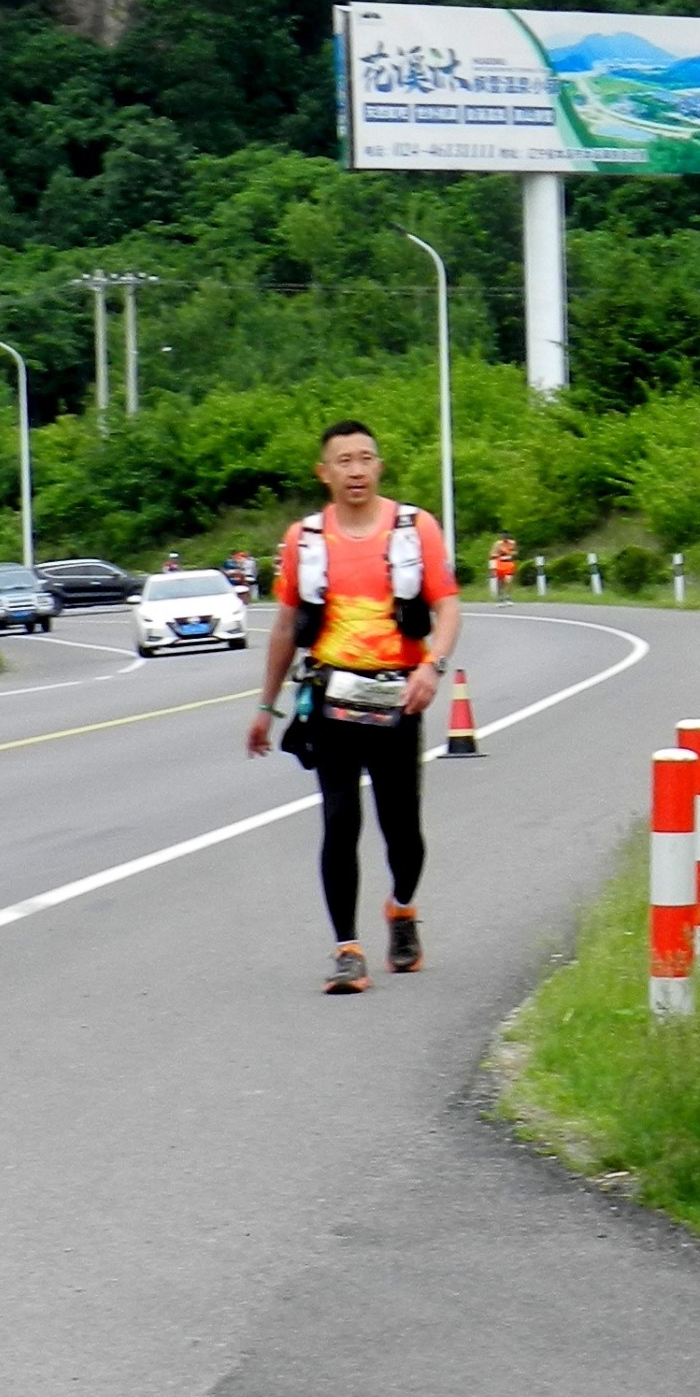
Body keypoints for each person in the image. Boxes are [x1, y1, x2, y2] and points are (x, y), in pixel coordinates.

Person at [248, 418, 461, 995]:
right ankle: (347, 949)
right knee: (340, 822)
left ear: (379, 466)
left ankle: (402, 909)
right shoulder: (305, 539)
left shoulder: (415, 529)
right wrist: (266, 707)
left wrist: (431, 666)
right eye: (343, 460)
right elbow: (286, 626)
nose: (356, 469)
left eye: (365, 458)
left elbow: (447, 608)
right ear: (325, 473)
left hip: (398, 696)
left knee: (403, 831)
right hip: (332, 698)